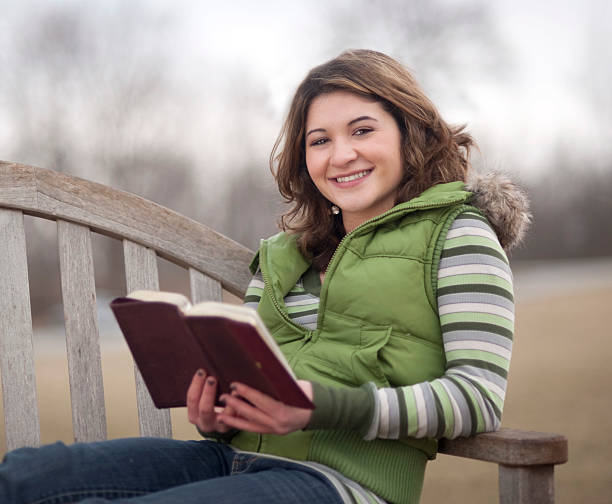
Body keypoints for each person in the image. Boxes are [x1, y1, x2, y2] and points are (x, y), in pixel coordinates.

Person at [0, 49, 530, 504]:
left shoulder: (458, 234)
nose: (340, 155)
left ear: (408, 132)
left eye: (362, 130)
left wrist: (317, 406)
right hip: (230, 460)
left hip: (341, 483)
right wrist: (217, 413)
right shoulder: (282, 255)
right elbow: (250, 384)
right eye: (318, 140)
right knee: (24, 477)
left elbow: (476, 398)